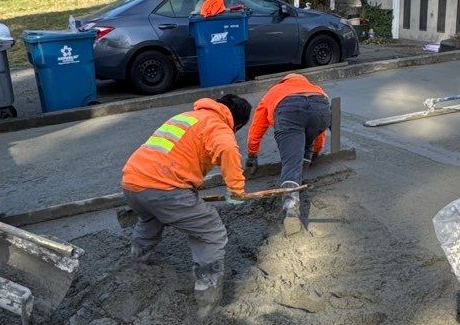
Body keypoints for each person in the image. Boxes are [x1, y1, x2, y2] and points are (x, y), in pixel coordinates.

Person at [120, 91, 251, 312]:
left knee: (151, 219)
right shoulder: (218, 126)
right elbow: (228, 149)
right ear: (236, 124)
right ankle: (207, 294)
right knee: (211, 231)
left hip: (131, 184)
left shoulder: (187, 117)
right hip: (163, 189)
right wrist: (236, 190)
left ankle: (137, 264)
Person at [245, 73, 331, 234]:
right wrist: (317, 151)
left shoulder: (275, 90)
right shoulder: (315, 88)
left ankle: (291, 209)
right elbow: (320, 133)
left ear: (284, 81)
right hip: (321, 108)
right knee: (307, 144)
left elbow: (257, 127)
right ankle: (299, 179)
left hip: (290, 110)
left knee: (291, 164)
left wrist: (252, 154)